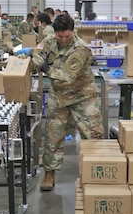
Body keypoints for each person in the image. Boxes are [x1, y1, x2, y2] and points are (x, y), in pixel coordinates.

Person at [31, 13, 104, 191]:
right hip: (59, 97)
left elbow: (65, 77)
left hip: (82, 96)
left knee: (93, 136)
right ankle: (49, 173)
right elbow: (36, 54)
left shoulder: (81, 49)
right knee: (53, 136)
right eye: (60, 36)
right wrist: (37, 60)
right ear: (55, 32)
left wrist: (45, 67)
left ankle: (97, 171)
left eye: (67, 36)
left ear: (73, 32)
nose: (63, 39)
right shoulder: (49, 40)